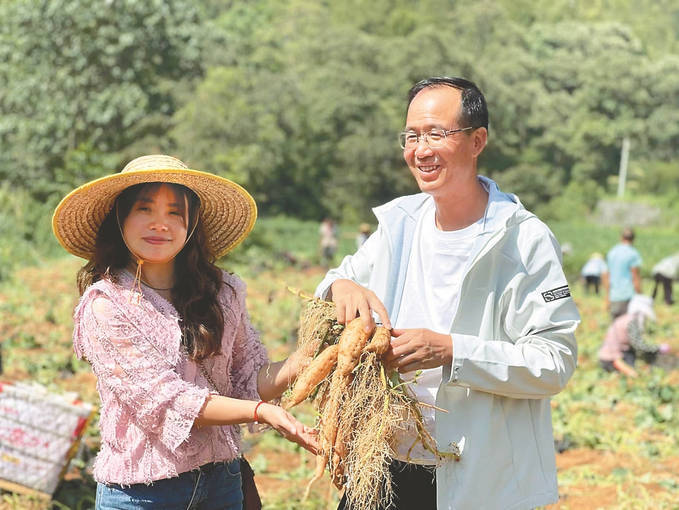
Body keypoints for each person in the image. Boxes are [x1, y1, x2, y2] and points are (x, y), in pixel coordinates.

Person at [315, 77, 579, 510]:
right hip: (384, 462)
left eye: (437, 134)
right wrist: (341, 285)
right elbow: (336, 281)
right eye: (412, 136)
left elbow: (555, 362)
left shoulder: (522, 239)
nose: (420, 150)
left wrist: (452, 351)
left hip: (474, 473)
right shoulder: (400, 224)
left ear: (477, 141)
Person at [52, 155, 317, 510]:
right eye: (145, 209)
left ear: (191, 224)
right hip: (143, 494)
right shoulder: (107, 305)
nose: (160, 224)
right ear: (120, 219)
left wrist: (310, 360)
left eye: (175, 213)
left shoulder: (223, 292)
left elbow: (247, 377)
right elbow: (166, 401)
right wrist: (260, 412)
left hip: (222, 483)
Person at [598, 295, 671, 377]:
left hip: (610, 355)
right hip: (611, 359)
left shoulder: (627, 319)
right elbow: (639, 345)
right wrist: (657, 348)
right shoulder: (632, 322)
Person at [602, 227, 642, 319]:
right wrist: (639, 296)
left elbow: (605, 275)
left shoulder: (612, 252)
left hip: (614, 296)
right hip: (627, 296)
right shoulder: (633, 253)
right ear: (633, 239)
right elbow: (635, 277)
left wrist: (607, 297)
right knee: (627, 327)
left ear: (621, 237)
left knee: (615, 328)